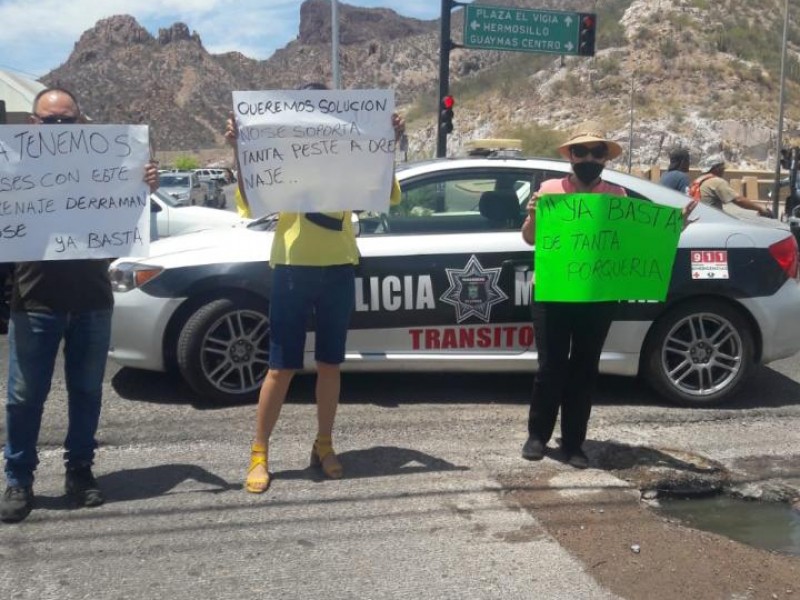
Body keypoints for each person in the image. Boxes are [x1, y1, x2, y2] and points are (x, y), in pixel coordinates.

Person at [225, 84, 404, 493]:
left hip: (339, 265)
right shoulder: (286, 152)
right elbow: (251, 201)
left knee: (329, 363)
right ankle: (259, 453)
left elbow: (383, 193)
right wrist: (242, 147)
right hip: (291, 266)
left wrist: (388, 142)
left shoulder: (347, 153)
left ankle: (323, 444)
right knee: (281, 366)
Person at [0, 88, 160, 524]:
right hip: (34, 300)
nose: (58, 128)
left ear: (80, 123)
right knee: (24, 397)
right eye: (49, 121)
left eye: (66, 121)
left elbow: (130, 217)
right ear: (33, 124)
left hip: (92, 299)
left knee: (87, 393)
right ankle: (18, 477)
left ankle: (80, 471)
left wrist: (144, 185)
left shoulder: (106, 165)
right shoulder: (11, 166)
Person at [520, 123, 696, 469]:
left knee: (585, 368)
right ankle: (537, 436)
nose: (589, 158)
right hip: (552, 292)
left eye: (597, 152)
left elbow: (636, 237)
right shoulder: (550, 190)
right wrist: (532, 216)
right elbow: (530, 239)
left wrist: (671, 226)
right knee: (550, 367)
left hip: (598, 296)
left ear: (604, 158)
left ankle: (574, 444)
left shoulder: (617, 196)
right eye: (581, 152)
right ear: (570, 156)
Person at [694, 154, 773, 217]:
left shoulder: (700, 180)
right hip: (711, 221)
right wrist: (760, 208)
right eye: (722, 167)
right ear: (716, 168)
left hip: (700, 218)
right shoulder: (717, 182)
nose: (724, 170)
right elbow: (738, 200)